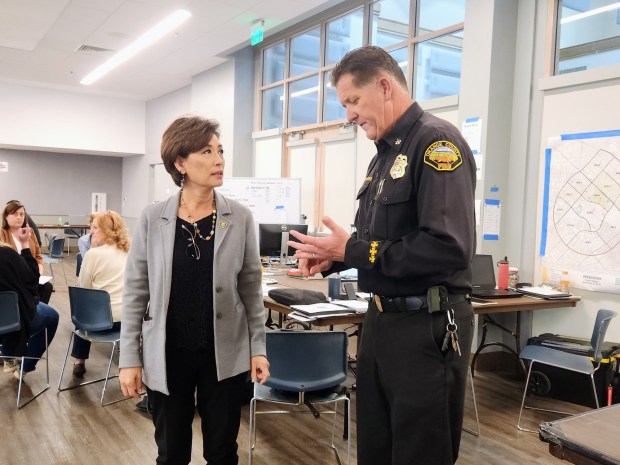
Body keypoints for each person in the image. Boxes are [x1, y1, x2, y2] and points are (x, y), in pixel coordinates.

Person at [287, 46, 477, 465]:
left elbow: (447, 247)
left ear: (385, 86)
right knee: (375, 448)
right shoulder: (385, 155)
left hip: (426, 326)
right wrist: (335, 257)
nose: (349, 115)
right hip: (381, 324)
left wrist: (352, 249)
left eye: (352, 101)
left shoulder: (436, 143)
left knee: (418, 452)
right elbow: (379, 240)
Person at [119, 115, 270, 465]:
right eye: (207, 151)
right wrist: (130, 357)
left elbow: (250, 287)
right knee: (171, 453)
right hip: (167, 351)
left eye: (220, 150)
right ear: (180, 162)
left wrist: (258, 348)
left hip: (224, 353)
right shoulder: (152, 217)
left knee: (221, 452)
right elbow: (136, 292)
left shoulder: (241, 217)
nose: (219, 160)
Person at [71, 210, 129, 377]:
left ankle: (79, 360)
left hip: (98, 322)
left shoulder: (92, 254)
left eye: (95, 227)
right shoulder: (130, 251)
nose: (91, 231)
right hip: (127, 321)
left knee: (82, 307)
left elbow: (83, 288)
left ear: (107, 230)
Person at [0, 227, 59, 379]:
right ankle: (24, 366)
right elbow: (33, 279)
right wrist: (25, 245)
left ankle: (9, 357)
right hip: (13, 320)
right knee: (51, 316)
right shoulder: (7, 254)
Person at [1, 200, 53, 304]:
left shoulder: (30, 232)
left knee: (47, 287)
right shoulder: (2, 233)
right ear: (6, 217)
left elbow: (38, 256)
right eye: (15, 214)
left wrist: (39, 271)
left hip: (31, 274)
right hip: (14, 278)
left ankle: (36, 312)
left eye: (22, 214)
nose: (19, 217)